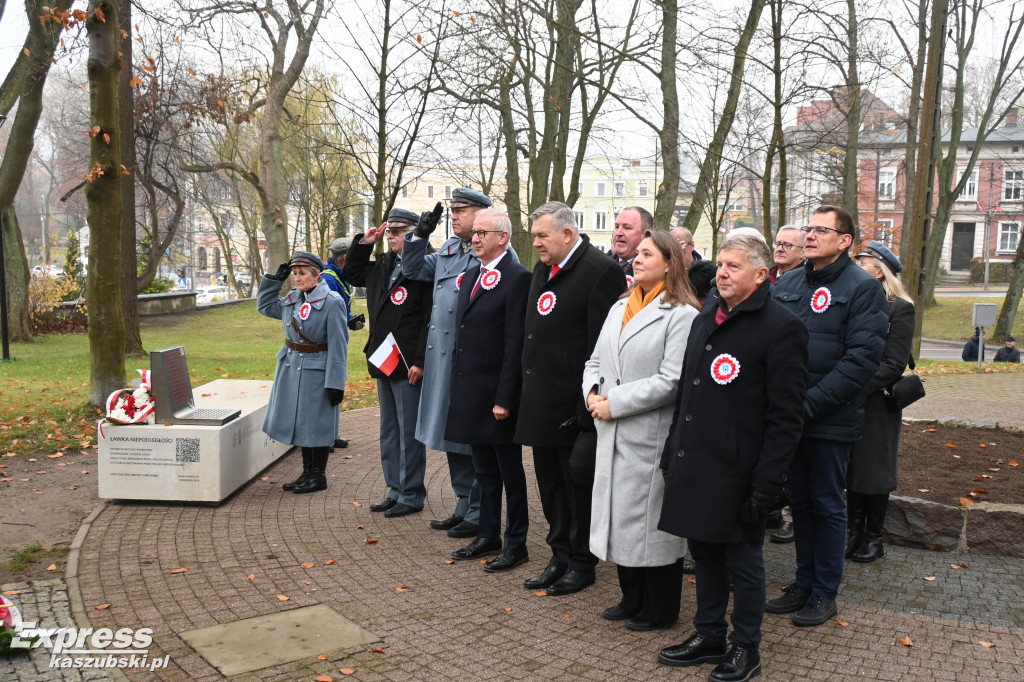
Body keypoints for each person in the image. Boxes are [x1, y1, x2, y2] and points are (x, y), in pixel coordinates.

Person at [657, 228, 808, 681]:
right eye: (720, 265)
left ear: (762, 275)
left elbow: (786, 418)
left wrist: (766, 486)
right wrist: (672, 453)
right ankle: (708, 635)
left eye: (733, 266)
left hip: (740, 472)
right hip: (696, 463)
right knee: (703, 554)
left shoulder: (783, 329)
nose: (721, 273)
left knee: (743, 561)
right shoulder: (707, 317)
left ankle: (747, 647)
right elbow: (687, 392)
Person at [768, 205, 887, 627]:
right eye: (808, 227)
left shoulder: (862, 288)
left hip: (828, 419)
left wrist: (808, 405)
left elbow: (860, 362)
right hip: (789, 417)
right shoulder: (791, 280)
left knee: (826, 504)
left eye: (822, 229)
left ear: (844, 241)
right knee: (799, 502)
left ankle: (824, 592)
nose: (811, 234)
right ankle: (802, 583)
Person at [584, 230, 699, 632]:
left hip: (648, 431)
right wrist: (592, 394)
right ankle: (630, 597)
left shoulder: (682, 315)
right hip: (610, 428)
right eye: (638, 253)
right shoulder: (619, 308)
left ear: (670, 263)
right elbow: (595, 361)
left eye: (647, 254)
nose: (637, 258)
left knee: (649, 524)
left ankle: (661, 608)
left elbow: (670, 380)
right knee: (618, 518)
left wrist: (613, 403)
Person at [517, 201, 627, 596]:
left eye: (542, 236)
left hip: (574, 408)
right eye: (534, 237)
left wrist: (586, 407)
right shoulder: (543, 269)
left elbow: (605, 348)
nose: (537, 244)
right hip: (540, 402)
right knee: (549, 486)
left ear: (567, 234)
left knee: (576, 487)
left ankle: (582, 562)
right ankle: (559, 555)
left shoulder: (601, 272)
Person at [402, 188, 515, 539]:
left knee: (471, 438)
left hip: (470, 362)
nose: (454, 216)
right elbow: (412, 268)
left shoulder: (493, 256)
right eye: (453, 210)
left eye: (461, 210)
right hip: (443, 362)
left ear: (483, 215)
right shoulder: (450, 250)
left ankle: (480, 511)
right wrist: (420, 235)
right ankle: (464, 503)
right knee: (451, 435)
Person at [445, 210, 533, 571]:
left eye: (483, 232)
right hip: (471, 392)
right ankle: (487, 535)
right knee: (483, 471)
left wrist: (505, 398)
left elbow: (516, 344)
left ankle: (517, 543)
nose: (475, 238)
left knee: (511, 473)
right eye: (474, 232)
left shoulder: (518, 278)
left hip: (497, 394)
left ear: (503, 238)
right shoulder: (470, 276)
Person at [344, 208, 433, 518]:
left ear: (414, 232)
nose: (393, 236)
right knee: (390, 430)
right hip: (383, 357)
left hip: (408, 360)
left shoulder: (424, 264)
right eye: (390, 231)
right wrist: (366, 242)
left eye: (400, 231)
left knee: (409, 431)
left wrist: (421, 360)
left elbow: (428, 319)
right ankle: (395, 489)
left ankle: (412, 493)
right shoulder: (382, 263)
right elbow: (352, 274)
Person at [847, 241, 916, 564]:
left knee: (874, 470)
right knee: (852, 469)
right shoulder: (855, 302)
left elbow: (894, 364)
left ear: (879, 271)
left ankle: (874, 538)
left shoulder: (899, 308)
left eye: (863, 263)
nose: (858, 267)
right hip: (850, 399)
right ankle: (852, 531)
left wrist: (854, 388)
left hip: (876, 402)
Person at [258, 252, 348, 494]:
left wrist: (336, 382)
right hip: (291, 367)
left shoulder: (332, 301)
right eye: (295, 274)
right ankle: (307, 473)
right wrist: (274, 282)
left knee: (316, 425)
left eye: (302, 274)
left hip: (317, 369)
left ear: (317, 275)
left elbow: (339, 344)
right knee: (302, 424)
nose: (297, 278)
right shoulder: (292, 298)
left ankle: (318, 476)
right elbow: (265, 307)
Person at [322, 237, 365, 451]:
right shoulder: (329, 279)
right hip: (329, 343)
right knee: (327, 390)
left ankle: (332, 433)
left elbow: (340, 311)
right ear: (347, 258)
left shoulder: (341, 276)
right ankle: (324, 437)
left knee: (336, 387)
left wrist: (350, 320)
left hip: (338, 340)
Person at [610, 206, 652, 277]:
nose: (618, 233)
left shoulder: (652, 271)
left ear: (645, 235)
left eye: (627, 228)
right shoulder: (600, 264)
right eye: (617, 227)